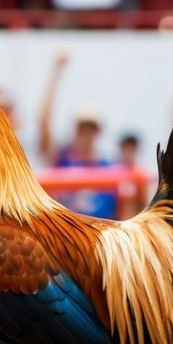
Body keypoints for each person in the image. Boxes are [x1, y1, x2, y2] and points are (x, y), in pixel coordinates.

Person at [39, 52, 117, 220]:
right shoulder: (62, 159)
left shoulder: (109, 167)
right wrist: (56, 73)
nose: (86, 134)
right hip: (68, 234)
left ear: (98, 132)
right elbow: (44, 122)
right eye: (83, 129)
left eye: (91, 129)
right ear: (76, 129)